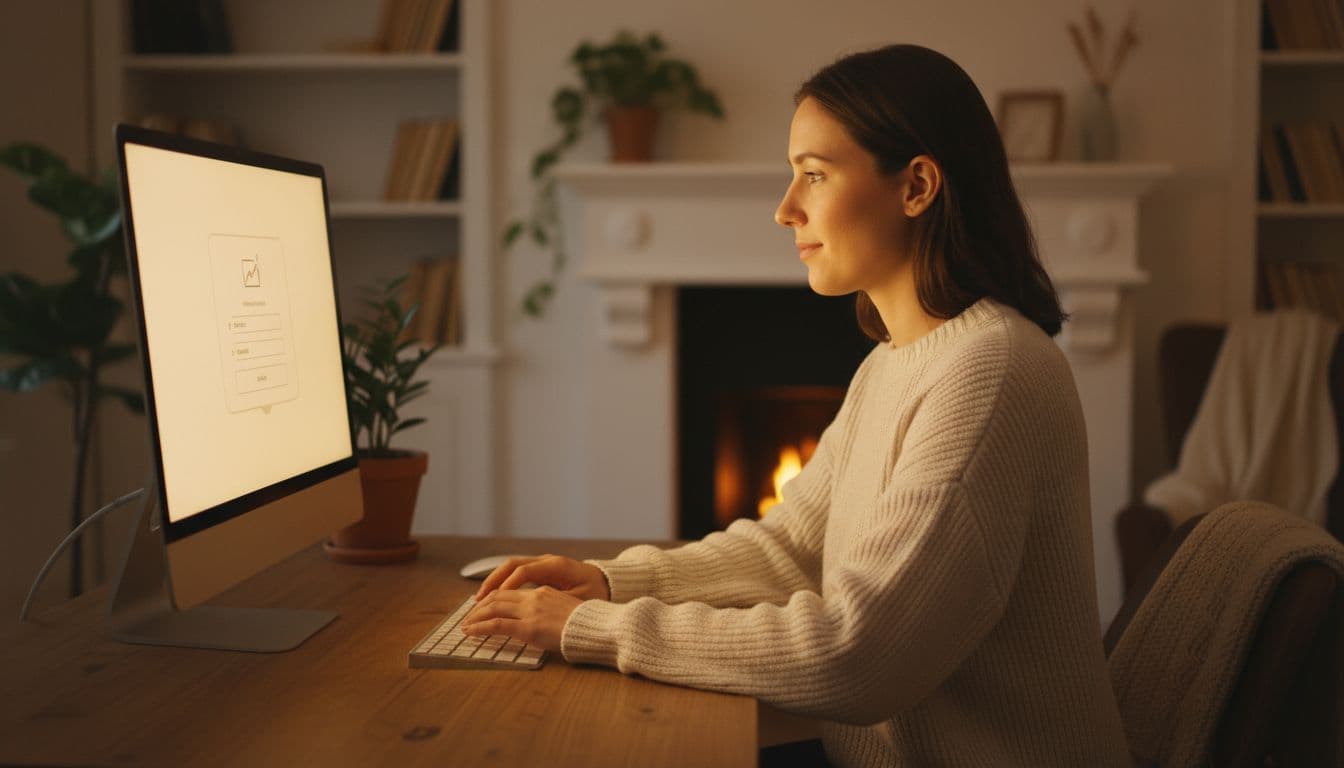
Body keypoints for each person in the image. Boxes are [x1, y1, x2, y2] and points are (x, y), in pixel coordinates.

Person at [463, 43, 1131, 767]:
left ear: (917, 187)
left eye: (814, 175)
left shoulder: (992, 372)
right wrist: (611, 581)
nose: (786, 210)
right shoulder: (895, 364)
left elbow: (857, 654)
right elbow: (791, 549)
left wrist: (590, 627)